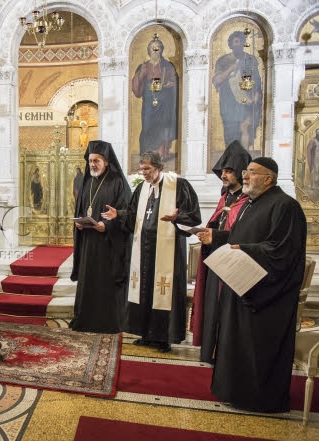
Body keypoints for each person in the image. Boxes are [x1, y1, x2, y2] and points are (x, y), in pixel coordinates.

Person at [200, 157, 306, 413]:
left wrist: (244, 249)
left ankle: (259, 399)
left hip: (267, 296)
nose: (245, 176)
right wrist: (217, 237)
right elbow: (240, 237)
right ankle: (234, 391)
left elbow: (281, 250)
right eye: (245, 171)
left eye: (252, 173)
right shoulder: (250, 204)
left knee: (257, 347)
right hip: (241, 285)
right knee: (234, 341)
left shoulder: (285, 206)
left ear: (269, 178)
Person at [102, 151, 200, 352]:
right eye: (141, 169)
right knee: (144, 291)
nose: (143, 172)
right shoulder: (141, 188)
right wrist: (118, 214)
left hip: (168, 252)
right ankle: (146, 333)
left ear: (159, 168)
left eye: (147, 169)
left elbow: (194, 216)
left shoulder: (179, 186)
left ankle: (164, 338)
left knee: (164, 292)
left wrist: (177, 216)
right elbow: (132, 216)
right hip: (144, 251)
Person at [189, 140, 251, 363]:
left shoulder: (247, 200)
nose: (224, 175)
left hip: (234, 262)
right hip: (216, 258)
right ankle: (210, 352)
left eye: (229, 171)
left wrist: (214, 236)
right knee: (212, 307)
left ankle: (225, 355)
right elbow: (217, 222)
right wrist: (206, 233)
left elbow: (243, 234)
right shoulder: (225, 197)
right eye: (223, 171)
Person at [70, 141, 131, 333]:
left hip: (108, 244)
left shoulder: (117, 182)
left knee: (105, 282)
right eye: (90, 161)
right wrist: (79, 223)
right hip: (88, 242)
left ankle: (107, 323)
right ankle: (85, 319)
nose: (92, 165)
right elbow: (81, 208)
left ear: (106, 161)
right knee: (88, 280)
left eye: (96, 160)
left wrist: (108, 225)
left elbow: (126, 212)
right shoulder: (86, 181)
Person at [212, 30, 263, 149]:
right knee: (231, 129)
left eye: (240, 41)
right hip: (229, 100)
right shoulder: (223, 60)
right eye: (235, 42)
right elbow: (217, 80)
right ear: (230, 44)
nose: (238, 44)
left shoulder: (251, 60)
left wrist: (256, 95)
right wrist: (232, 68)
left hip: (247, 99)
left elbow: (257, 80)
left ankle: (244, 155)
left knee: (246, 126)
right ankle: (232, 156)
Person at [131, 36, 179, 162]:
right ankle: (147, 154)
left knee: (163, 126)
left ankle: (161, 154)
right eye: (153, 48)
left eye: (158, 48)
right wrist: (141, 73)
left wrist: (170, 84)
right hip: (148, 103)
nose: (155, 51)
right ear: (149, 51)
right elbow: (136, 89)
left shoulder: (168, 66)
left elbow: (176, 83)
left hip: (165, 103)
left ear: (162, 50)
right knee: (147, 127)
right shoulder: (143, 67)